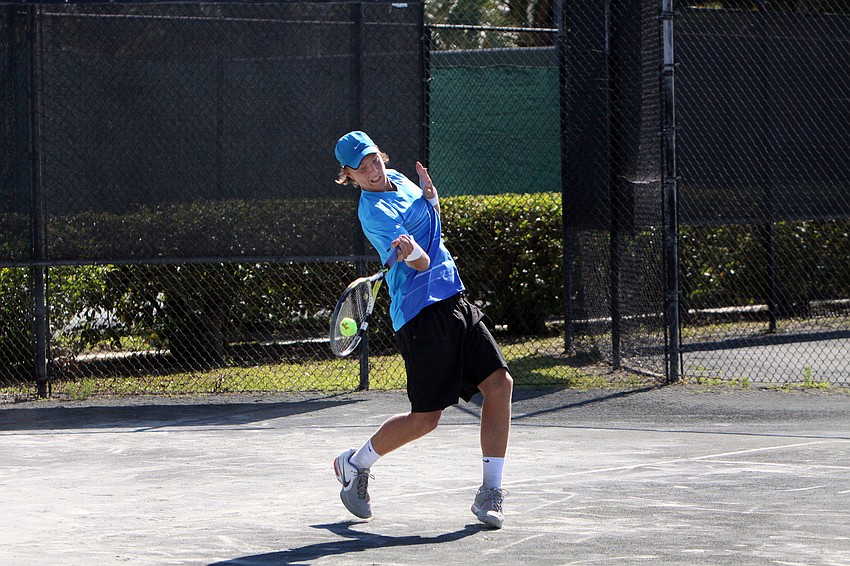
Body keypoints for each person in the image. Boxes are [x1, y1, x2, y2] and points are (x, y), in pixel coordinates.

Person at [331, 130, 514, 529]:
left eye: (375, 160)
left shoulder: (399, 178)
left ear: (382, 155)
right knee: (426, 419)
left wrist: (432, 199)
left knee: (500, 384)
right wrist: (412, 252)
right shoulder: (373, 213)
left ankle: (490, 492)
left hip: (454, 295)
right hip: (420, 315)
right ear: (349, 176)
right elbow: (419, 262)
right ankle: (354, 464)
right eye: (362, 169)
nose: (373, 171)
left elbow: (432, 226)